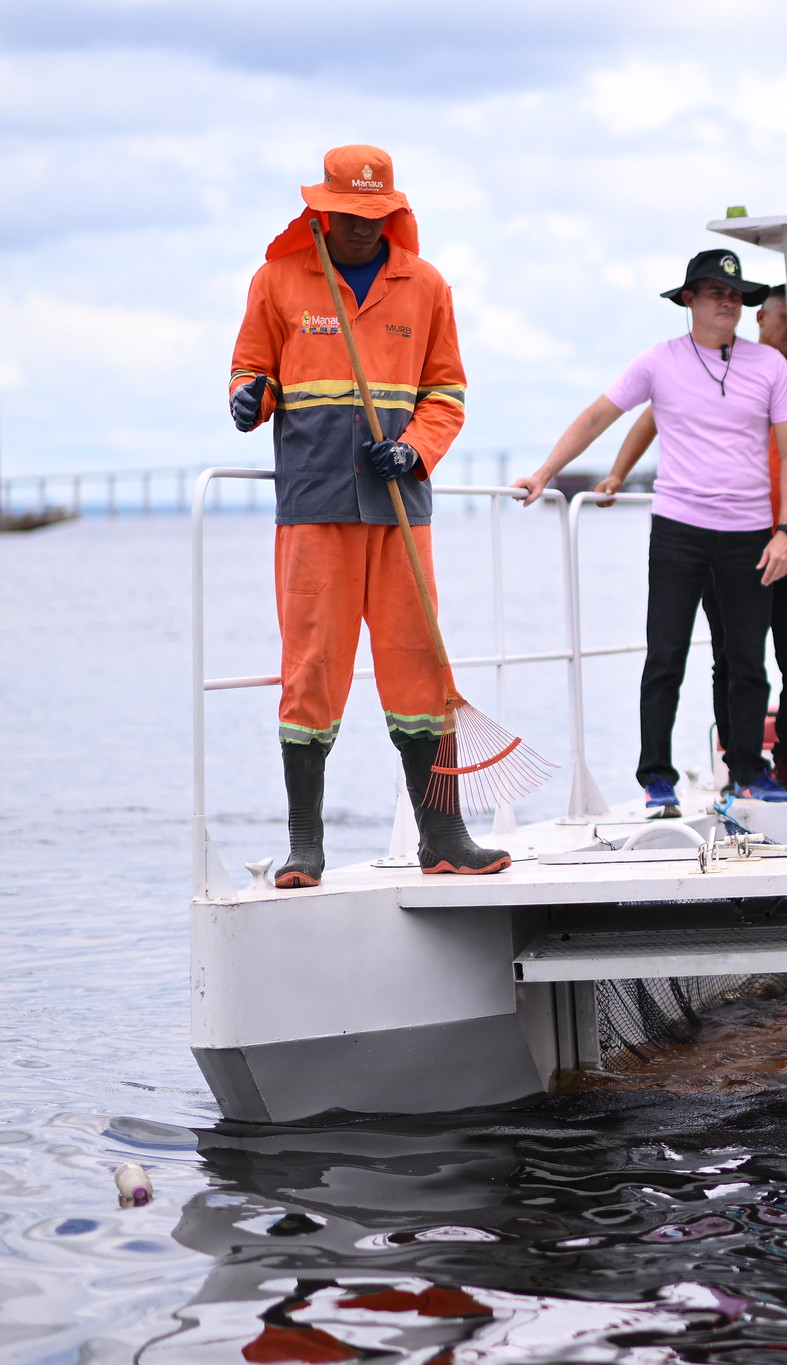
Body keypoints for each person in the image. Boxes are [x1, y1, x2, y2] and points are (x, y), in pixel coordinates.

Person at [228, 144, 506, 887]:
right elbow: (249, 369)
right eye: (348, 214)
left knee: (418, 662)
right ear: (323, 208)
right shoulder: (277, 279)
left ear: (394, 212)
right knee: (312, 667)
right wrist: (247, 398)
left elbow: (447, 392)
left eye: (374, 214)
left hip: (398, 507)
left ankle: (444, 837)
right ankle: (304, 845)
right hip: (314, 504)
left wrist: (414, 449)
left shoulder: (427, 285)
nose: (360, 227)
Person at [512, 249, 787, 808]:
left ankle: (747, 770)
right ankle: (656, 780)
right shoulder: (659, 361)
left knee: (746, 661)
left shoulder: (771, 366)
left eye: (736, 294)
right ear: (689, 299)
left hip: (749, 533)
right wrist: (545, 473)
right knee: (665, 656)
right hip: (679, 528)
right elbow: (600, 415)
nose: (728, 302)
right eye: (716, 291)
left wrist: (784, 532)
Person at [600, 285, 787, 799]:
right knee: (729, 654)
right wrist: (615, 475)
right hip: (731, 533)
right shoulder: (703, 368)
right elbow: (650, 419)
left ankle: (785, 762)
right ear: (762, 318)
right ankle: (735, 762)